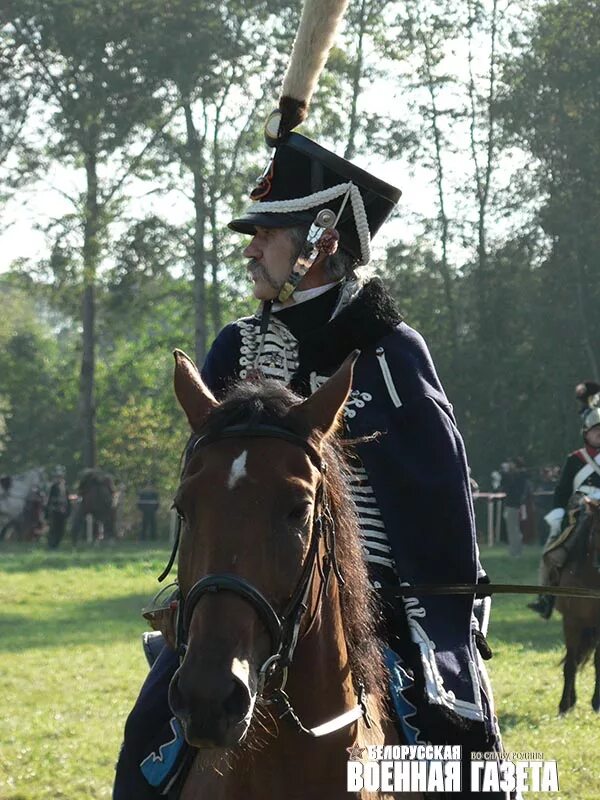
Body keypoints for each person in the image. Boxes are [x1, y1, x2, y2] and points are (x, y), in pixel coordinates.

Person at [114, 124, 506, 799]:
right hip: (237, 592)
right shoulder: (233, 345)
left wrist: (445, 613)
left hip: (379, 600)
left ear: (320, 245)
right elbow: (205, 485)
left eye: (266, 234)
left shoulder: (391, 350)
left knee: (465, 756)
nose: (251, 248)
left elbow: (439, 496)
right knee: (146, 738)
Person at [529, 381, 600, 619]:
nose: (599, 434)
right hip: (580, 511)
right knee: (552, 554)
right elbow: (561, 491)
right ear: (586, 433)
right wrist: (558, 512)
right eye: (595, 430)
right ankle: (546, 599)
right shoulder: (575, 459)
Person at [499, 458, 529, 557]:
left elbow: (509, 485)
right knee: (512, 529)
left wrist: (505, 473)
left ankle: (516, 551)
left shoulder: (519, 476)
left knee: (513, 529)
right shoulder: (517, 475)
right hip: (511, 504)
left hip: (513, 504)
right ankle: (514, 550)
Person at [46, 467, 71, 549]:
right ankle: (51, 545)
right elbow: (50, 499)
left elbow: (67, 500)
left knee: (61, 529)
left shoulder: (65, 487)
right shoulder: (53, 487)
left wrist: (68, 510)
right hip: (55, 510)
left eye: (60, 476)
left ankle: (57, 544)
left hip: (63, 511)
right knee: (54, 528)